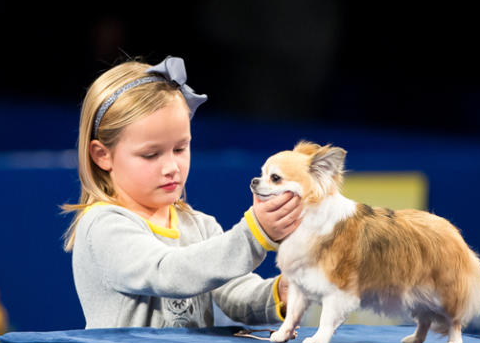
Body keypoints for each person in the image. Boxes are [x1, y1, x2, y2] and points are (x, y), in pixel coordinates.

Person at [62, 56, 302, 328]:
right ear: (102, 155)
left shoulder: (199, 225)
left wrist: (285, 291)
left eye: (180, 148)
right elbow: (168, 272)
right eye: (151, 154)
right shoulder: (103, 225)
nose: (171, 167)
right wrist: (255, 234)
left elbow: (235, 294)